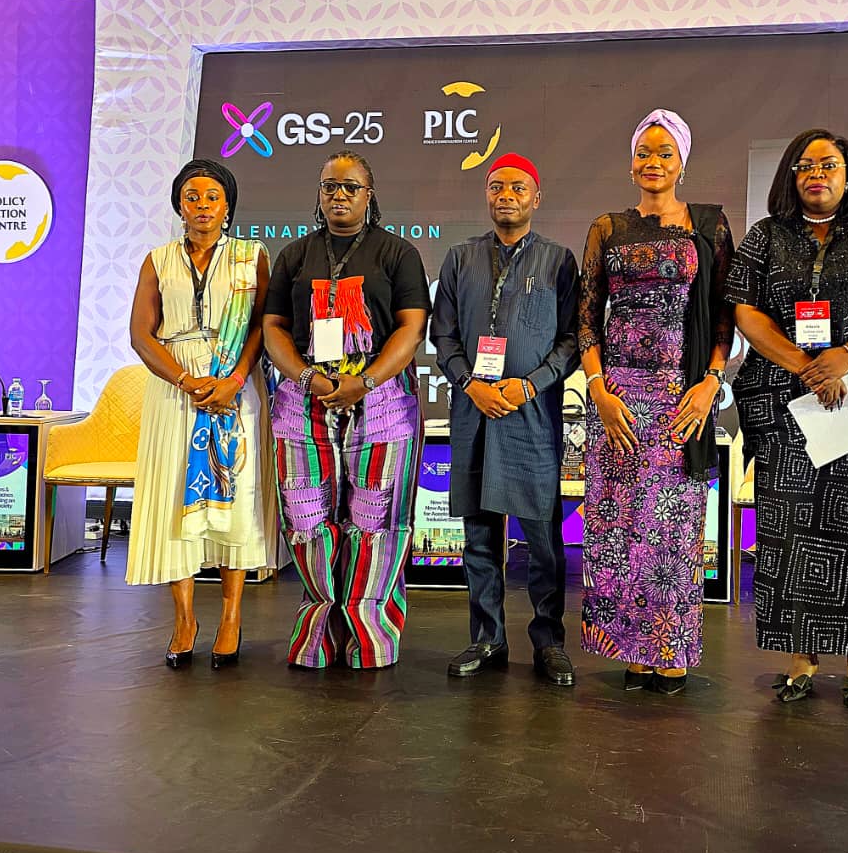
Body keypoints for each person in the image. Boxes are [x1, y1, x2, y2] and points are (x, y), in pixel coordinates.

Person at [725, 128, 848, 709]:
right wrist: (806, 365)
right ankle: (801, 655)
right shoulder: (766, 236)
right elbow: (745, 310)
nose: (817, 175)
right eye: (805, 166)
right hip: (783, 399)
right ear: (791, 176)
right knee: (788, 528)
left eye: (828, 165)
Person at [578, 109, 735, 695]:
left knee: (670, 530)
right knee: (617, 527)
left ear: (682, 162)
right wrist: (598, 389)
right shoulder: (607, 227)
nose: (653, 162)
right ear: (630, 163)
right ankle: (631, 650)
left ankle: (669, 650)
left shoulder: (708, 225)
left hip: (680, 394)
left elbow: (723, 315)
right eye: (644, 152)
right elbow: (587, 316)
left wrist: (711, 381)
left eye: (665, 153)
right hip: (617, 396)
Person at [263, 150, 431, 670]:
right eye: (330, 186)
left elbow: (411, 328)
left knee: (374, 518)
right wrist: (307, 377)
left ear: (369, 195)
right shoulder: (295, 255)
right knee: (306, 516)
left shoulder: (397, 253)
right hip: (304, 399)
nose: (339, 195)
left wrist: (366, 381)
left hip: (380, 399)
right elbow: (273, 328)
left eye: (350, 187)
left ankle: (368, 634)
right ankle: (319, 632)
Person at [431, 152, 580, 686]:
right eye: (497, 187)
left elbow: (572, 340)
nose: (506, 196)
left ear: (536, 197)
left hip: (531, 414)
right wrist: (470, 383)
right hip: (474, 412)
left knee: (542, 537)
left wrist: (529, 384)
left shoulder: (559, 260)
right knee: (479, 535)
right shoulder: (459, 258)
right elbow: (443, 336)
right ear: (487, 196)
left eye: (518, 187)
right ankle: (487, 637)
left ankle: (549, 641)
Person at [127, 158, 276, 669]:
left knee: (237, 496)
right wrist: (185, 380)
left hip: (235, 386)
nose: (202, 206)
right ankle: (184, 619)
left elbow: (262, 326)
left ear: (228, 206)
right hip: (175, 391)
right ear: (179, 206)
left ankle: (231, 617)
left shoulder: (251, 256)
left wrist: (234, 380)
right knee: (175, 495)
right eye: (192, 197)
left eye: (213, 197)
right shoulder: (158, 260)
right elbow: (141, 334)